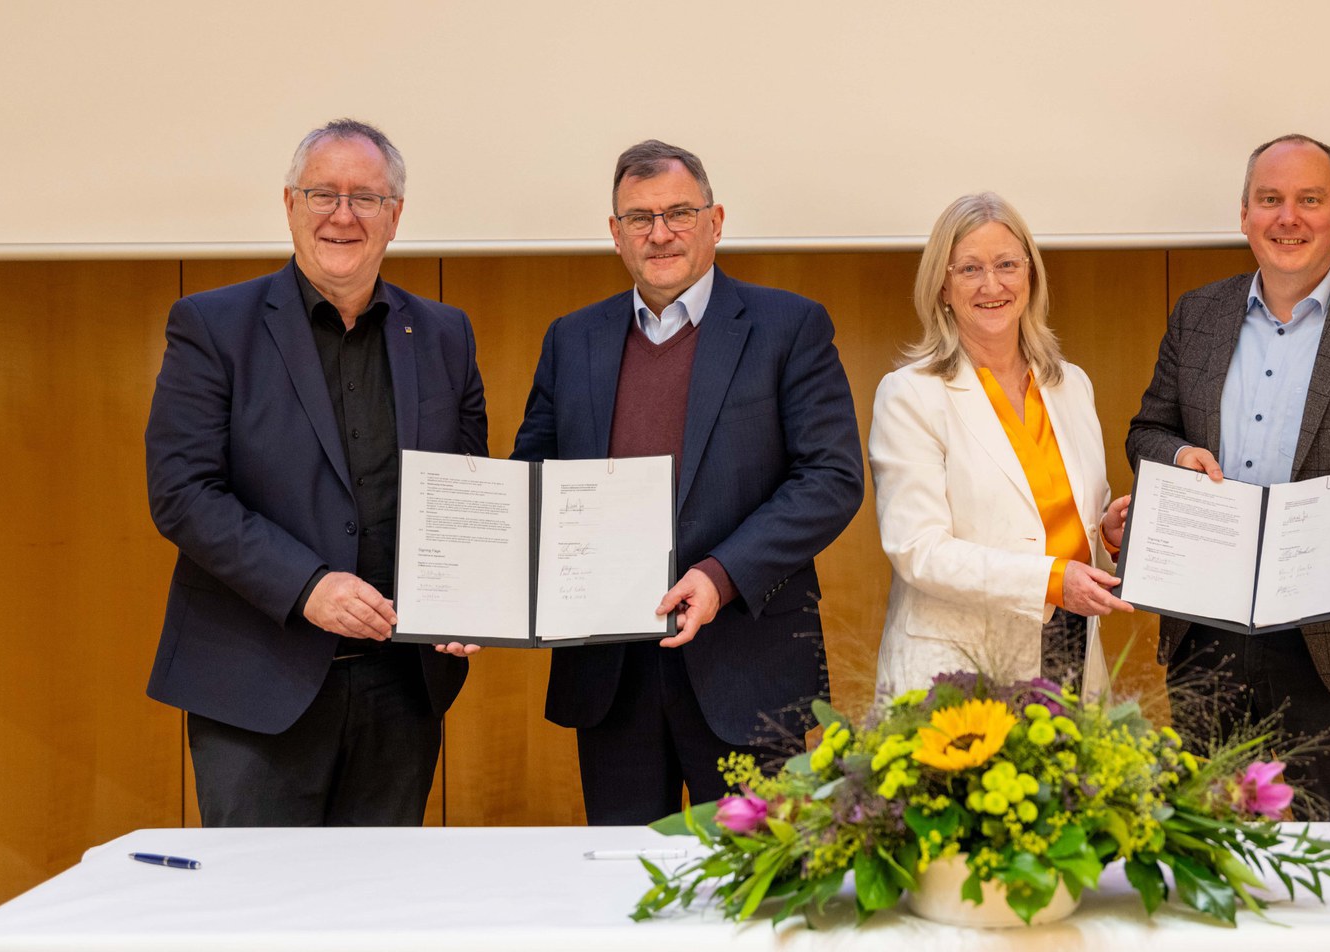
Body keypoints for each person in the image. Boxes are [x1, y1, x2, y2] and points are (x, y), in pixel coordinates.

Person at [511, 139, 864, 825]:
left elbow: (830, 478)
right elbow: (534, 481)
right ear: (615, 235)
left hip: (745, 661)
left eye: (679, 211)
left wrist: (720, 574)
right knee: (623, 882)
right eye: (639, 218)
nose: (660, 232)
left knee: (756, 893)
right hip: (610, 671)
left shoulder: (788, 326)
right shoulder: (570, 339)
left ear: (716, 219)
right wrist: (481, 590)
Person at [144, 118, 486, 826]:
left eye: (365, 197)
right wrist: (307, 587)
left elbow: (468, 488)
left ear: (395, 216)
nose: (342, 214)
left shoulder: (446, 335)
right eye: (322, 193)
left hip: (402, 685)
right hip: (255, 685)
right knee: (258, 918)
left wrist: (470, 593)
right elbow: (182, 493)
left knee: (378, 915)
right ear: (290, 204)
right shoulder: (213, 327)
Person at [1127, 135, 1330, 821]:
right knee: (1200, 830)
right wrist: (1178, 459)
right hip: (1205, 620)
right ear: (1244, 214)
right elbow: (1148, 432)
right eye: (1270, 200)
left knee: (1322, 836)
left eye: (1309, 200)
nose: (1288, 218)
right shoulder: (1198, 315)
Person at [870, 192, 1133, 698]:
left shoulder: (1070, 384)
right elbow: (918, 551)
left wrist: (1108, 531)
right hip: (959, 669)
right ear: (942, 287)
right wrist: (1049, 581)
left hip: (1071, 649)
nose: (992, 285)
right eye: (969, 269)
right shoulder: (910, 394)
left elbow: (1068, 524)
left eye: (1007, 264)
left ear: (1030, 276)